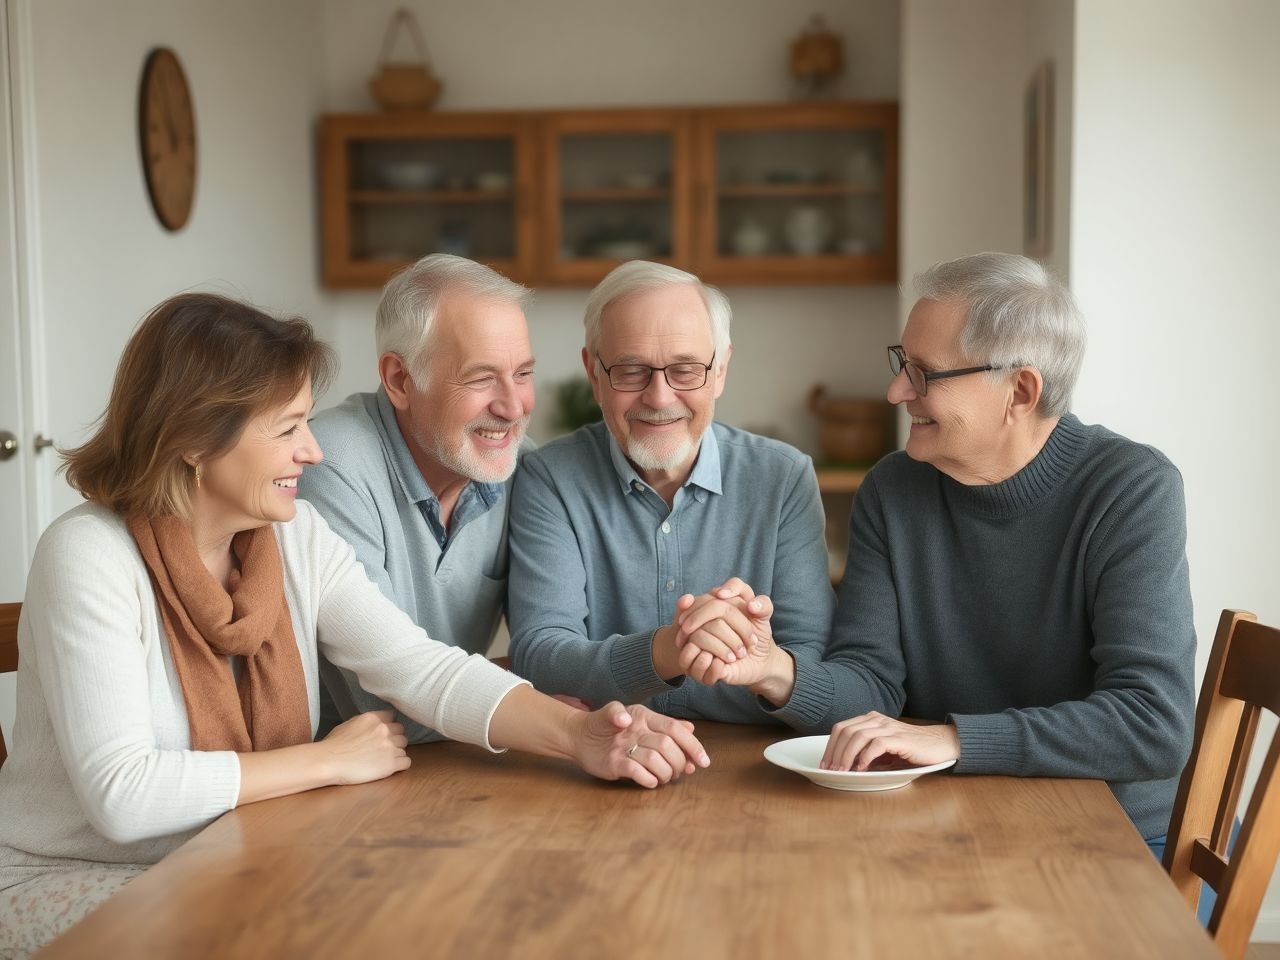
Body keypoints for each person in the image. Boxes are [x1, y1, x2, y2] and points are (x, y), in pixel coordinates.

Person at [0, 293, 708, 957]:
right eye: (287, 429)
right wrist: (326, 760)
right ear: (194, 441)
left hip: (237, 857)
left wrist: (578, 736)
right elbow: (124, 797)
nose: (311, 450)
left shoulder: (292, 536)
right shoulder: (90, 554)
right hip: (75, 879)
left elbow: (418, 665)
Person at [677, 252, 1195, 845]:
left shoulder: (1130, 489)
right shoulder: (894, 490)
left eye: (925, 372)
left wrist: (954, 740)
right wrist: (775, 670)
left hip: (1114, 833)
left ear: (1020, 391)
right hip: (950, 817)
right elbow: (870, 687)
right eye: (902, 362)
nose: (897, 391)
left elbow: (1152, 722)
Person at [506, 261, 834, 723]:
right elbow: (541, 658)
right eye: (631, 370)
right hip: (606, 755)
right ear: (593, 373)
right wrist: (673, 647)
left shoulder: (784, 478)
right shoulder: (549, 479)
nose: (659, 398)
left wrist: (759, 658)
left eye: (685, 371)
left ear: (720, 371)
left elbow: (815, 661)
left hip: (758, 765)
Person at [299, 255, 541, 742]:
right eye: (480, 377)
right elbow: (390, 708)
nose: (512, 406)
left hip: (454, 762)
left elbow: (553, 650)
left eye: (522, 374)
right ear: (400, 380)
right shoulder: (331, 466)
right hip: (336, 784)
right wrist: (536, 697)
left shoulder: (521, 466)